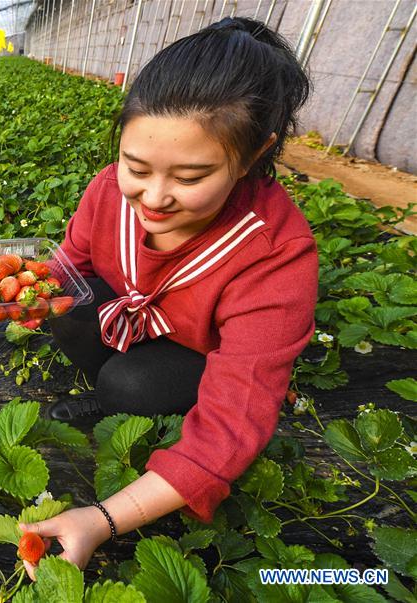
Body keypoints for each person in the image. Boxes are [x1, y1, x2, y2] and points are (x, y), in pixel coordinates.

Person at [20, 17, 317, 580]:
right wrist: (17, 294)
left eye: (191, 175)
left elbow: (235, 420)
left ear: (254, 154)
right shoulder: (109, 190)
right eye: (137, 167)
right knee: (63, 300)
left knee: (128, 384)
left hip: (195, 351)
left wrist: (103, 518)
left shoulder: (275, 253)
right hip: (130, 318)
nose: (154, 197)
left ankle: (119, 400)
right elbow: (66, 265)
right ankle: (114, 381)